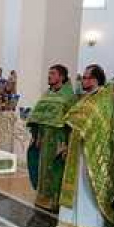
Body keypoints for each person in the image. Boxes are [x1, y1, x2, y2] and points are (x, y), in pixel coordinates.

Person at [57, 64, 114, 227]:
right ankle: (70, 221)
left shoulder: (103, 99)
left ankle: (89, 224)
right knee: (76, 184)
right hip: (78, 146)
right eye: (83, 77)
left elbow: (102, 125)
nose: (83, 80)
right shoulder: (87, 98)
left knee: (87, 185)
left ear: (95, 79)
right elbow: (74, 117)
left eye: (85, 78)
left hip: (92, 148)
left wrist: (84, 128)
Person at [26, 64, 77, 210]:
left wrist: (67, 143)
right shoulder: (47, 94)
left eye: (53, 74)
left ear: (61, 77)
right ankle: (42, 197)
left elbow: (71, 122)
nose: (49, 76)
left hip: (58, 139)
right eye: (49, 73)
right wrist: (35, 135)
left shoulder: (69, 97)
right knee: (43, 169)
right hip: (44, 138)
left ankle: (54, 201)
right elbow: (38, 116)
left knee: (55, 169)